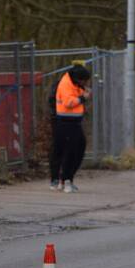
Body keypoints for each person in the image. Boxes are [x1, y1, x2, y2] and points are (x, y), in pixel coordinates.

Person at [49, 64, 91, 193]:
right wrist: (83, 97)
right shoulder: (66, 84)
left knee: (76, 149)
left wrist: (83, 94)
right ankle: (65, 180)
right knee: (69, 151)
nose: (85, 83)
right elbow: (68, 103)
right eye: (84, 80)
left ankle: (63, 179)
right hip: (66, 122)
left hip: (73, 121)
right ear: (78, 78)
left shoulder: (74, 84)